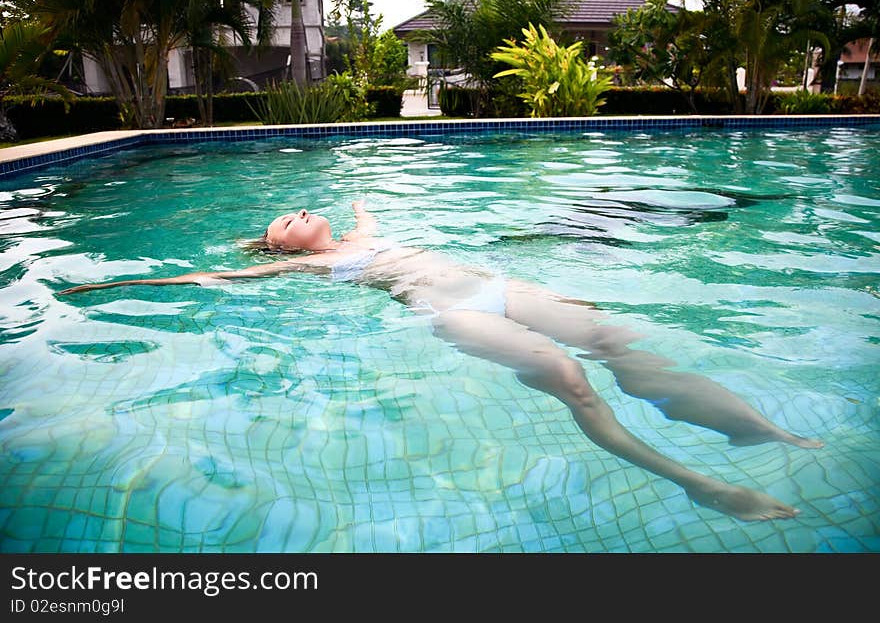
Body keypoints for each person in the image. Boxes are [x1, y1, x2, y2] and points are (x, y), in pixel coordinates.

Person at [60, 200, 823, 521]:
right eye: (285, 221)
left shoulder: (360, 234)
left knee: (616, 343)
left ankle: (754, 430)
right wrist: (124, 280)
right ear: (284, 247)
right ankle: (700, 486)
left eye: (297, 210)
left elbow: (365, 209)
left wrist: (358, 204)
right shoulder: (299, 266)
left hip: (502, 285)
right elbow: (214, 276)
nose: (297, 214)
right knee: (570, 379)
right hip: (450, 309)